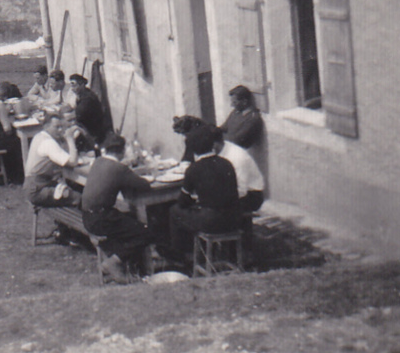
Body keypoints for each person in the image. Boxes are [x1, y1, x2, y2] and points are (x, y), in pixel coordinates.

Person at [80, 136, 158, 283]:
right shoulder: (119, 169)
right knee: (145, 232)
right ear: (122, 151)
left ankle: (130, 264)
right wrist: (150, 176)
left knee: (130, 222)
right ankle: (114, 263)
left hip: (87, 217)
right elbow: (143, 186)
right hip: (101, 219)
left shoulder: (98, 162)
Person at [168, 125, 241, 258]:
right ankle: (202, 253)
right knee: (202, 211)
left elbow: (183, 202)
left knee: (174, 211)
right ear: (212, 144)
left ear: (193, 149)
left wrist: (194, 200)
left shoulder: (194, 169)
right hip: (233, 219)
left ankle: (181, 255)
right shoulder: (227, 163)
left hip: (211, 223)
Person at [23, 112, 82, 207]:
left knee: (74, 189)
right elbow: (72, 162)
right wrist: (70, 139)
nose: (61, 130)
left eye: (62, 127)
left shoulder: (39, 136)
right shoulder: (48, 142)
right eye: (57, 127)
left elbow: (64, 153)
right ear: (46, 126)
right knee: (78, 197)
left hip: (34, 185)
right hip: (38, 190)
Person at [215, 134, 266, 214]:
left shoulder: (237, 157)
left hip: (250, 194)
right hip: (228, 190)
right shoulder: (219, 149)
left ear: (216, 143)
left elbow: (241, 190)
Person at [68, 73, 108, 147]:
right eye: (71, 85)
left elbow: (76, 115)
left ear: (82, 85)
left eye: (74, 85)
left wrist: (61, 117)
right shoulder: (81, 94)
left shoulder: (87, 99)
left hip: (93, 133)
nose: (72, 88)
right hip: (85, 127)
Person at [220, 85, 264, 149]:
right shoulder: (236, 112)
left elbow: (236, 140)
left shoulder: (253, 118)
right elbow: (224, 127)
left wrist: (218, 136)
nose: (231, 105)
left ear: (244, 102)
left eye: (234, 102)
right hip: (229, 148)